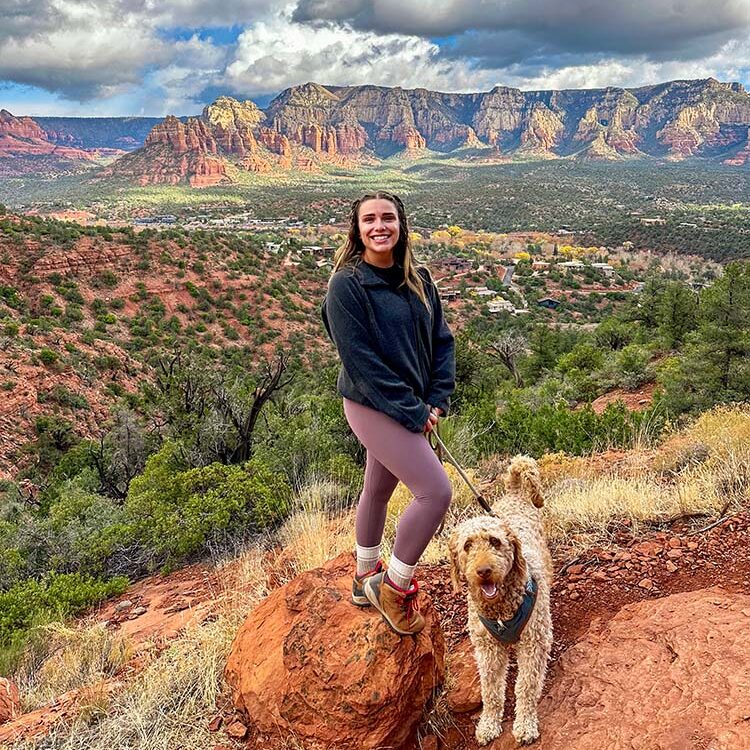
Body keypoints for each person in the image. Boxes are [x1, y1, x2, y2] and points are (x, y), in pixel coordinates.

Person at [321, 190, 455, 635]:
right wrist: (412, 411)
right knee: (436, 493)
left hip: (413, 404)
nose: (380, 227)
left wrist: (436, 399)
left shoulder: (419, 279)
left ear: (401, 225)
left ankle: (364, 577)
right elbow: (361, 361)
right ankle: (395, 587)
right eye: (369, 220)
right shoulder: (346, 285)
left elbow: (442, 343)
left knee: (377, 489)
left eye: (388, 218)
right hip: (369, 404)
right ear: (356, 230)